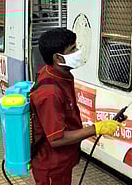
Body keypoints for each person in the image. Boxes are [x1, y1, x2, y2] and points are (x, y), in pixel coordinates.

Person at [30, 28, 124, 185]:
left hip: (61, 162)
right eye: (72, 49)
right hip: (52, 168)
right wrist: (96, 128)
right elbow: (56, 139)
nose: (78, 52)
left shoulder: (56, 74)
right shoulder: (50, 93)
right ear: (58, 58)